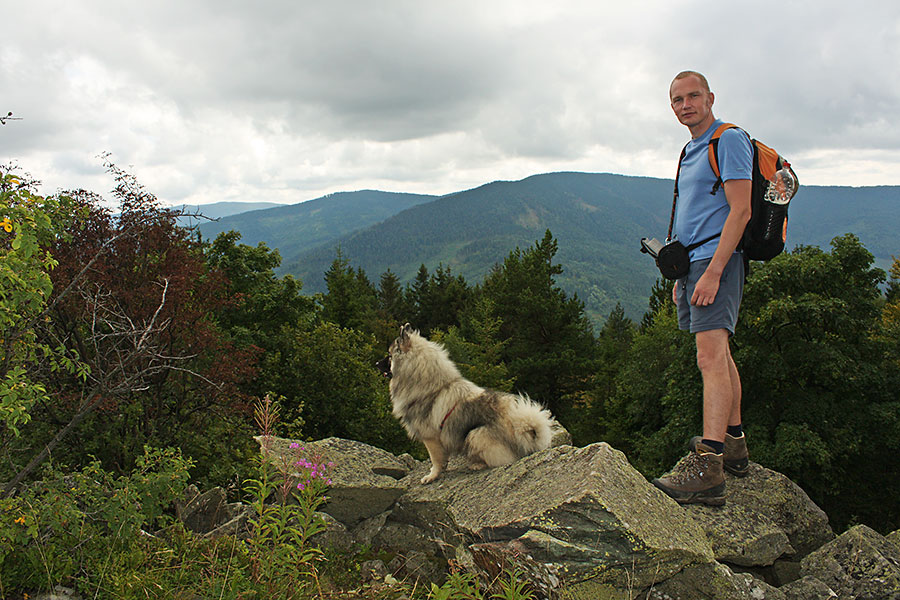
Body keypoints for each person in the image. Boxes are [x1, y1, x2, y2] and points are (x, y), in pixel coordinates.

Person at [651, 71, 752, 506]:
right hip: (693, 265)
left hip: (717, 263)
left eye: (693, 96)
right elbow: (691, 213)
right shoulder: (692, 147)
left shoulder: (726, 139)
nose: (685, 104)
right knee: (718, 355)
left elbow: (741, 210)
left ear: (710, 97)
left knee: (710, 357)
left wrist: (713, 271)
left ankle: (708, 467)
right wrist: (681, 275)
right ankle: (734, 446)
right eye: (677, 99)